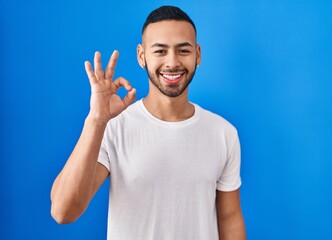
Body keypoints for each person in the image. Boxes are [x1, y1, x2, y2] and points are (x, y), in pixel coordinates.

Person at [50, 5, 246, 240]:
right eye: (160, 51)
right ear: (141, 56)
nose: (172, 62)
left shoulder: (223, 133)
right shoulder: (113, 127)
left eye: (183, 51)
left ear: (198, 54)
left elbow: (230, 218)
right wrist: (96, 120)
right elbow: (63, 211)